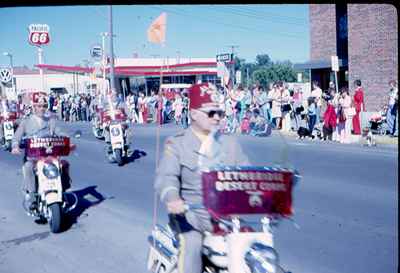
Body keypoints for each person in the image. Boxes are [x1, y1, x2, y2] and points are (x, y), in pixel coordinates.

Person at [154, 83, 250, 273]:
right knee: (192, 244)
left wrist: (269, 192)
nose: (216, 117)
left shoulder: (230, 143)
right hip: (190, 215)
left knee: (255, 247)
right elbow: (166, 177)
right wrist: (173, 198)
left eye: (220, 113)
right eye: (210, 113)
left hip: (227, 217)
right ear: (194, 113)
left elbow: (247, 173)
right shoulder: (177, 144)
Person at [11, 92, 72, 210]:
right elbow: (17, 136)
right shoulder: (26, 122)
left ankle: (63, 191)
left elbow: (60, 132)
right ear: (34, 107)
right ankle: (33, 196)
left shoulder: (50, 121)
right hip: (33, 156)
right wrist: (15, 145)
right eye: (39, 106)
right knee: (28, 167)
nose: (42, 108)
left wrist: (69, 141)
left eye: (44, 106)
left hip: (49, 155)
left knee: (63, 164)